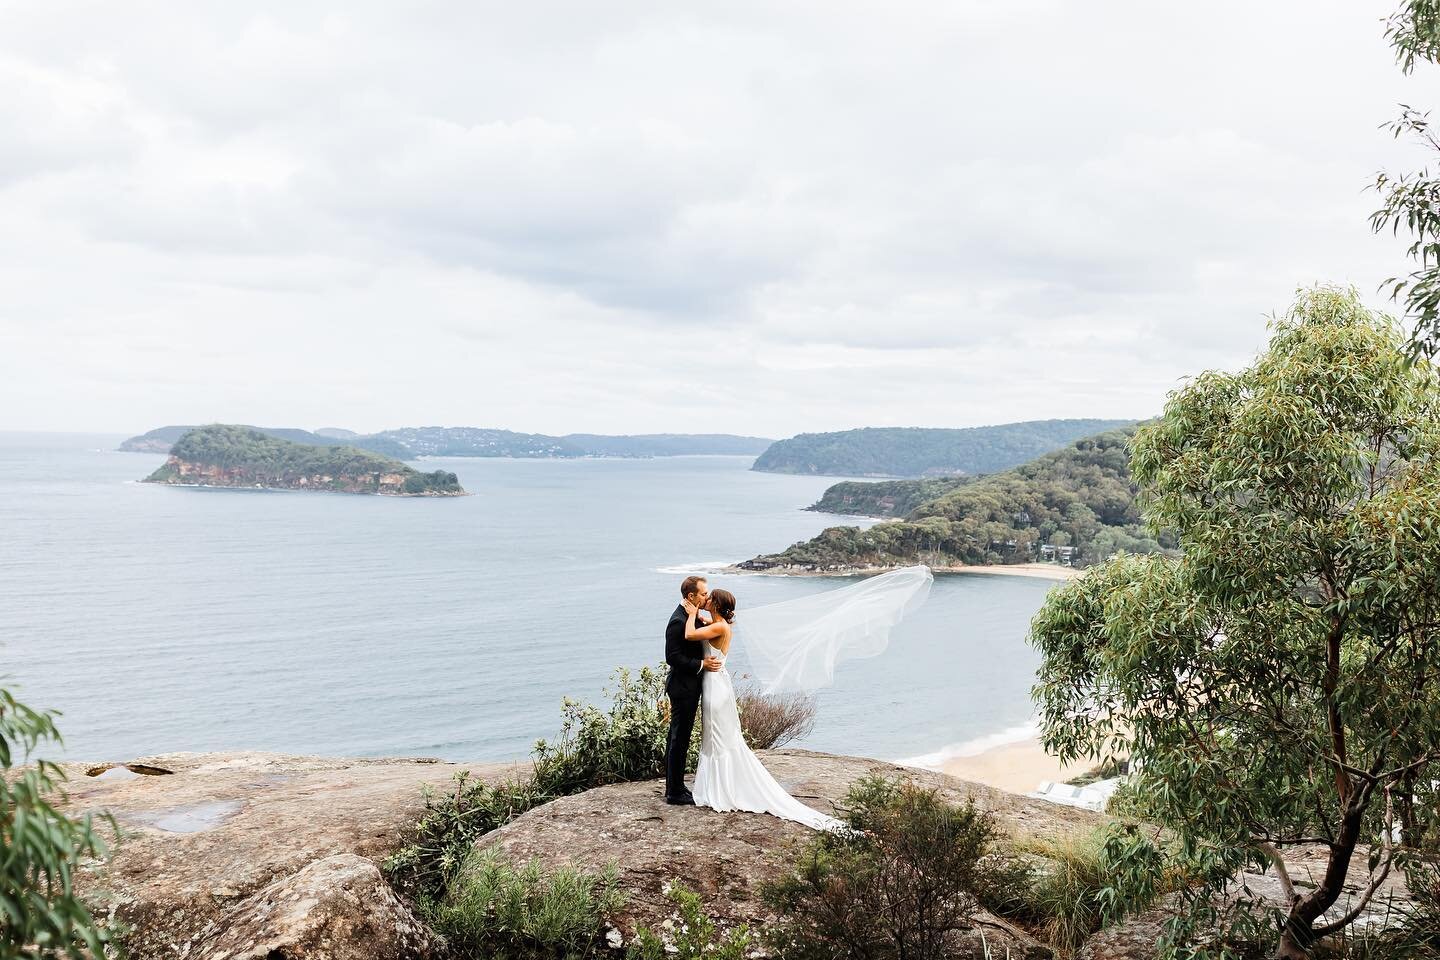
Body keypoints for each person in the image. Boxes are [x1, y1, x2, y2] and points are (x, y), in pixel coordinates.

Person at [662, 575, 721, 805]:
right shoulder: (678, 620)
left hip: (688, 686)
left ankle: (674, 786)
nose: (706, 597)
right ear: (691, 596)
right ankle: (675, 792)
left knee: (678, 737)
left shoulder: (691, 615)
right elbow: (672, 657)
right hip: (682, 687)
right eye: (703, 594)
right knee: (679, 738)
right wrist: (701, 664)